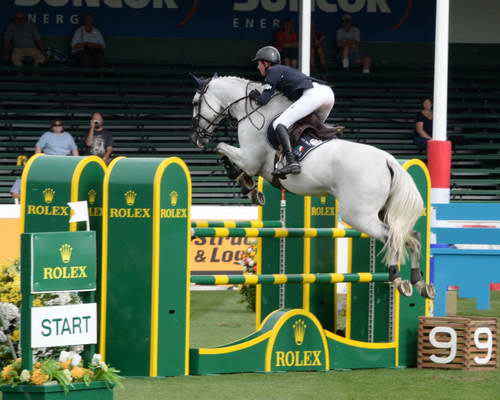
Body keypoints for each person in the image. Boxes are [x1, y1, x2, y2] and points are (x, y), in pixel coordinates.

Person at [249, 46, 335, 176]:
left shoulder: (272, 71)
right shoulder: (283, 70)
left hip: (313, 94)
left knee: (279, 124)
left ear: (266, 63)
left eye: (259, 63)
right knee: (314, 130)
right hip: (327, 94)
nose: (258, 67)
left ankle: (291, 162)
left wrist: (255, 96)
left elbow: (264, 100)